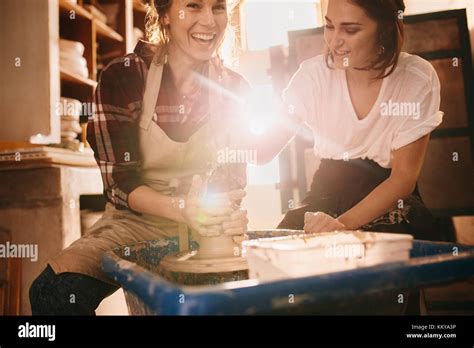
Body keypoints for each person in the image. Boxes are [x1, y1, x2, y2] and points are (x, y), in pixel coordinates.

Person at [30, 0, 249, 315]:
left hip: (206, 226)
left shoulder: (234, 89)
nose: (209, 21)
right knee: (51, 293)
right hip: (136, 223)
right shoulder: (123, 77)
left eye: (217, 7)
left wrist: (225, 209)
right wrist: (181, 208)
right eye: (193, 6)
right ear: (165, 16)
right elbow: (121, 183)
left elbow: (231, 176)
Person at [243, 0, 443, 241]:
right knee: (282, 250)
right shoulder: (313, 76)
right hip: (327, 192)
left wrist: (340, 225)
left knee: (381, 254)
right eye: (329, 26)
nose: (334, 41)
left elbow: (403, 179)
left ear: (385, 29)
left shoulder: (416, 77)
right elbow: (262, 152)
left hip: (388, 197)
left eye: (350, 30)